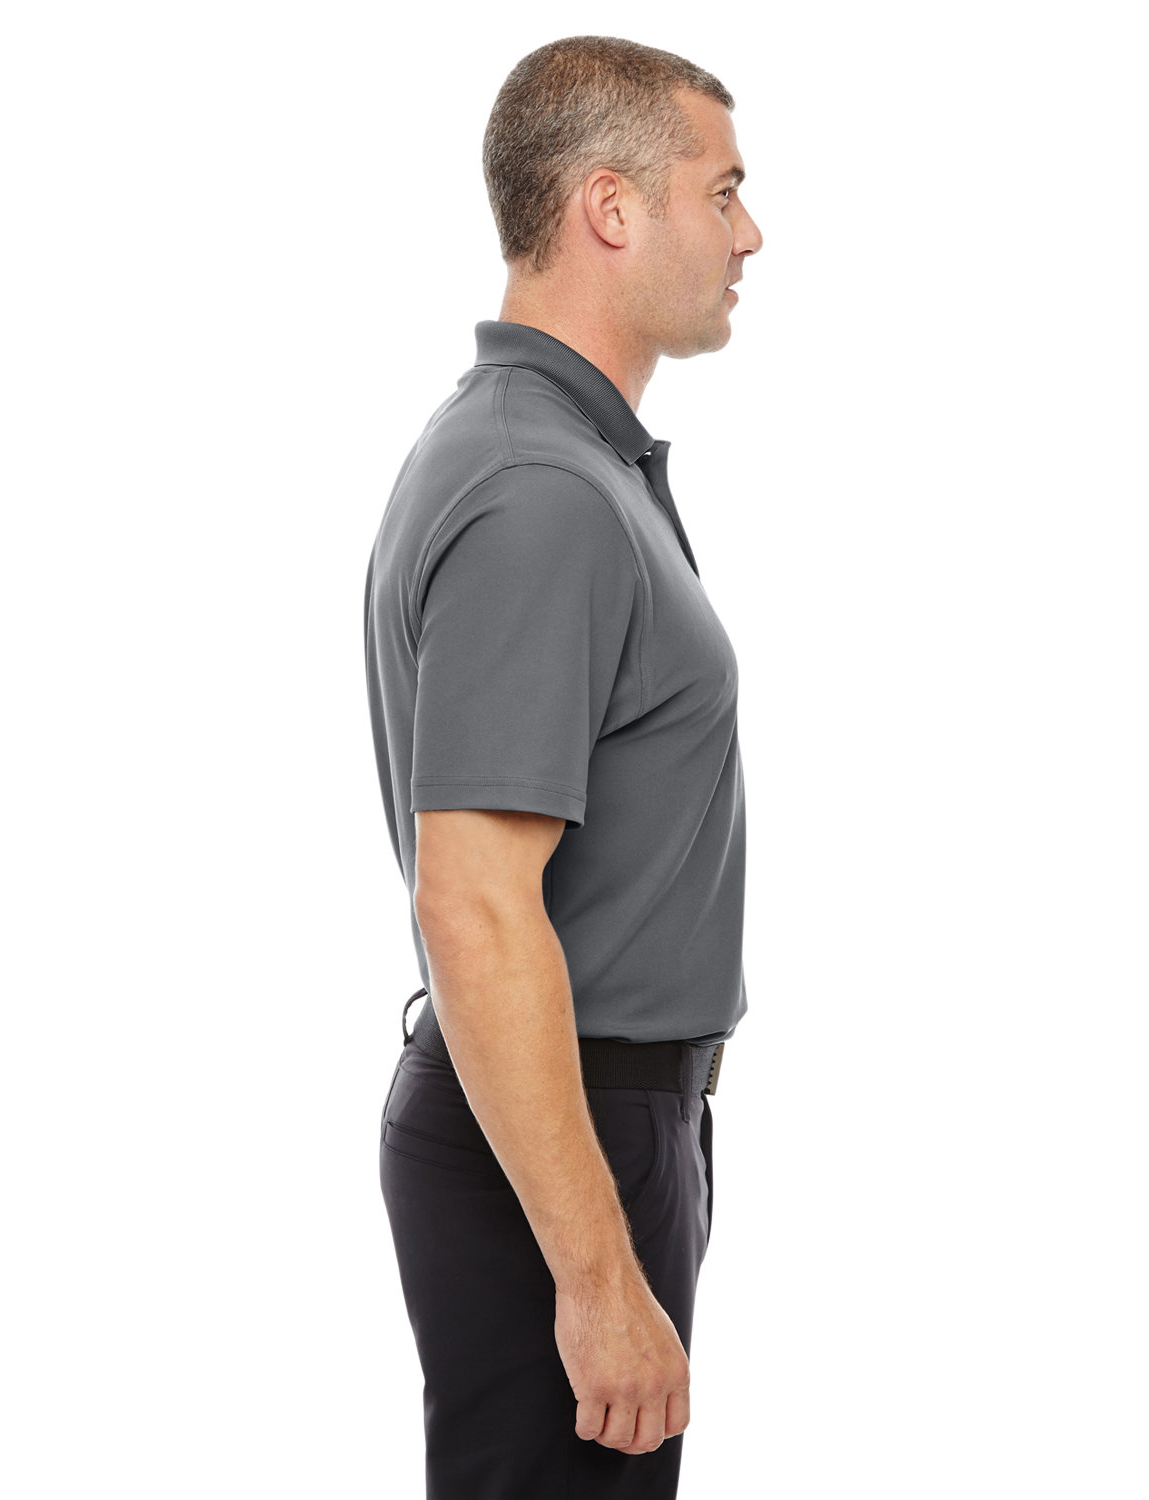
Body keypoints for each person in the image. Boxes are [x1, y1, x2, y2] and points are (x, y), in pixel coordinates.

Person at [364, 34, 762, 1499]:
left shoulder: (555, 458)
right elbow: (473, 901)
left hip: (586, 1119)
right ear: (610, 207)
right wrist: (596, 1275)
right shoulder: (541, 488)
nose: (749, 234)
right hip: (562, 1131)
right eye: (721, 191)